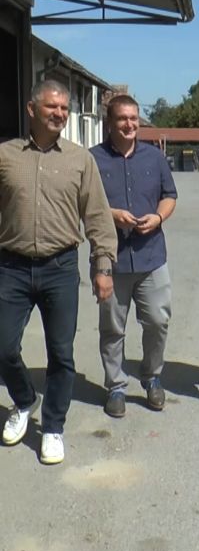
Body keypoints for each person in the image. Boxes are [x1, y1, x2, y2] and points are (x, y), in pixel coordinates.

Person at [0, 79, 117, 464]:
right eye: (52, 107)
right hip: (12, 267)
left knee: (61, 353)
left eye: (65, 108)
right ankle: (24, 400)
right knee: (3, 347)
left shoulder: (80, 160)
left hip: (60, 268)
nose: (60, 114)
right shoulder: (5, 155)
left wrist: (102, 266)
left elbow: (97, 216)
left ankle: (52, 427)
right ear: (32, 109)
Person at [90, 95, 177, 418]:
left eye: (134, 118)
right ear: (109, 123)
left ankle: (152, 376)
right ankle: (116, 385)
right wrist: (111, 214)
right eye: (122, 118)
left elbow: (170, 196)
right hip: (110, 259)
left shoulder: (154, 157)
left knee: (157, 321)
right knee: (112, 327)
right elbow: (82, 204)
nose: (129, 124)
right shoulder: (92, 160)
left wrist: (158, 216)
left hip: (151, 256)